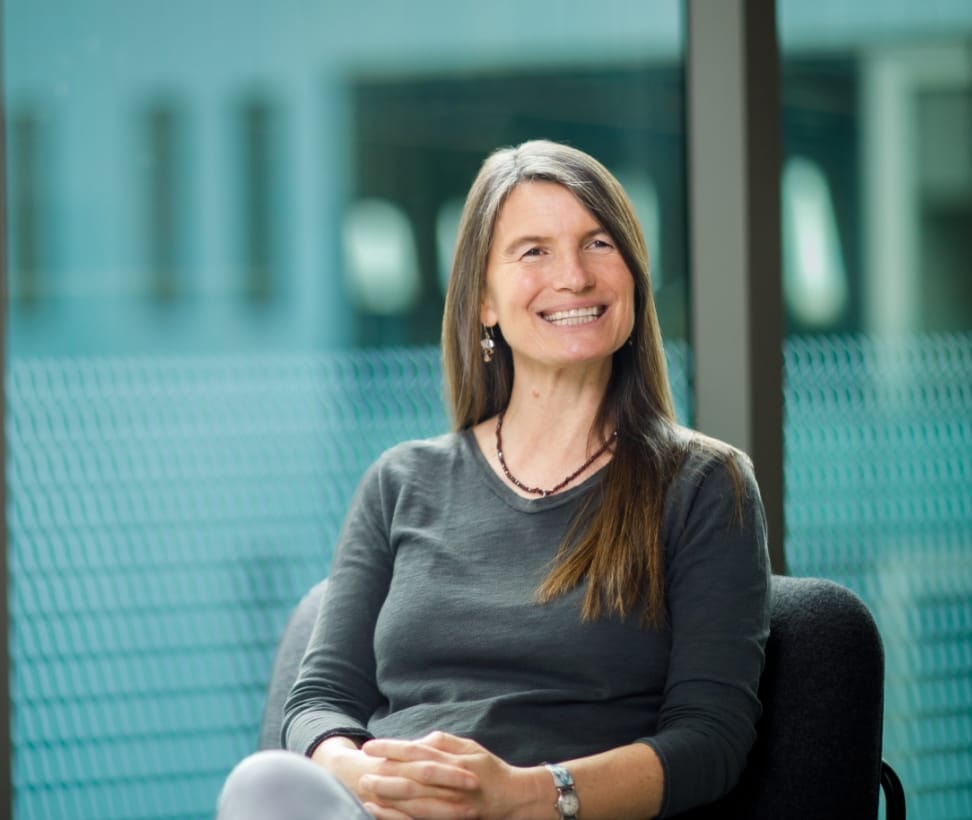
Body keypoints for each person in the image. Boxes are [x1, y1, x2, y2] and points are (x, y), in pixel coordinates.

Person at [217, 139, 770, 820]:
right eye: (534, 251)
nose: (574, 276)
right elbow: (317, 702)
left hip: (549, 811)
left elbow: (711, 742)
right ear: (484, 300)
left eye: (598, 244)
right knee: (263, 784)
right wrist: (374, 781)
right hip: (384, 808)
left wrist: (522, 795)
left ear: (633, 273)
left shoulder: (705, 485)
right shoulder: (401, 481)